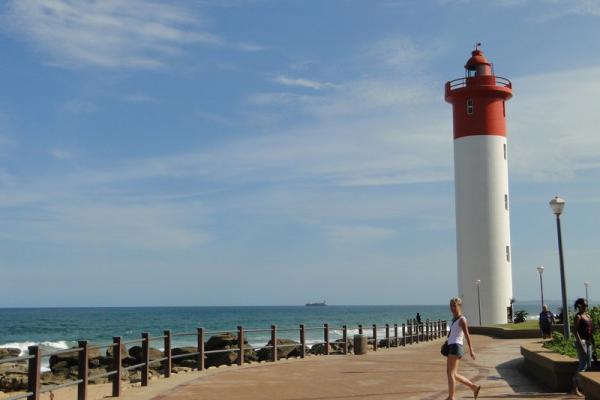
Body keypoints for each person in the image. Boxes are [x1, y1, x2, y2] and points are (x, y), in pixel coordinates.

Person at [446, 297, 481, 400]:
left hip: (456, 347)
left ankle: (451, 397)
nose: (452, 308)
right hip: (452, 346)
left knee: (450, 373)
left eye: (454, 306)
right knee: (454, 374)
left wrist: (471, 350)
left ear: (459, 306)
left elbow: (467, 335)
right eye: (451, 306)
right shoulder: (454, 319)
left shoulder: (462, 319)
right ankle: (474, 387)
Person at [572, 298, 596, 397]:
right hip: (582, 342)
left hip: (589, 341)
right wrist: (581, 345)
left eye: (586, 305)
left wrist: (593, 343)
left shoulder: (588, 316)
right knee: (583, 364)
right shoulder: (578, 317)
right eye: (584, 305)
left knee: (589, 364)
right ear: (579, 306)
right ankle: (574, 386)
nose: (585, 307)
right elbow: (575, 331)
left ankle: (582, 386)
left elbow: (590, 330)